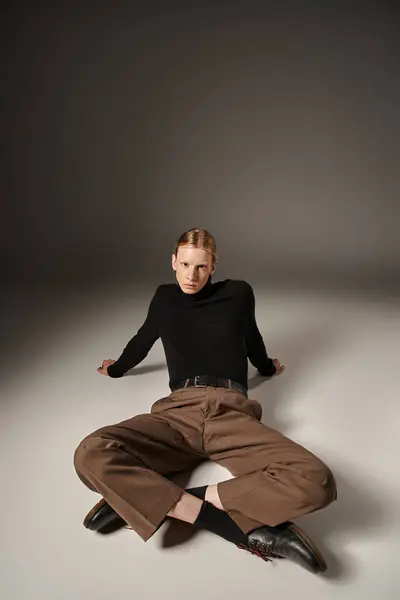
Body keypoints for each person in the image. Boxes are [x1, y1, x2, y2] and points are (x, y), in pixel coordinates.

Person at [73, 228, 337, 574]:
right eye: (184, 264)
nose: (190, 275)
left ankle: (153, 500)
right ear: (173, 262)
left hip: (232, 414)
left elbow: (251, 337)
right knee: (90, 452)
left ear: (213, 266)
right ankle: (228, 527)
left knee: (317, 480)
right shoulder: (164, 298)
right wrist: (117, 369)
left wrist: (266, 367)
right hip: (176, 414)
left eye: (200, 267)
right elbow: (142, 339)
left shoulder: (238, 293)